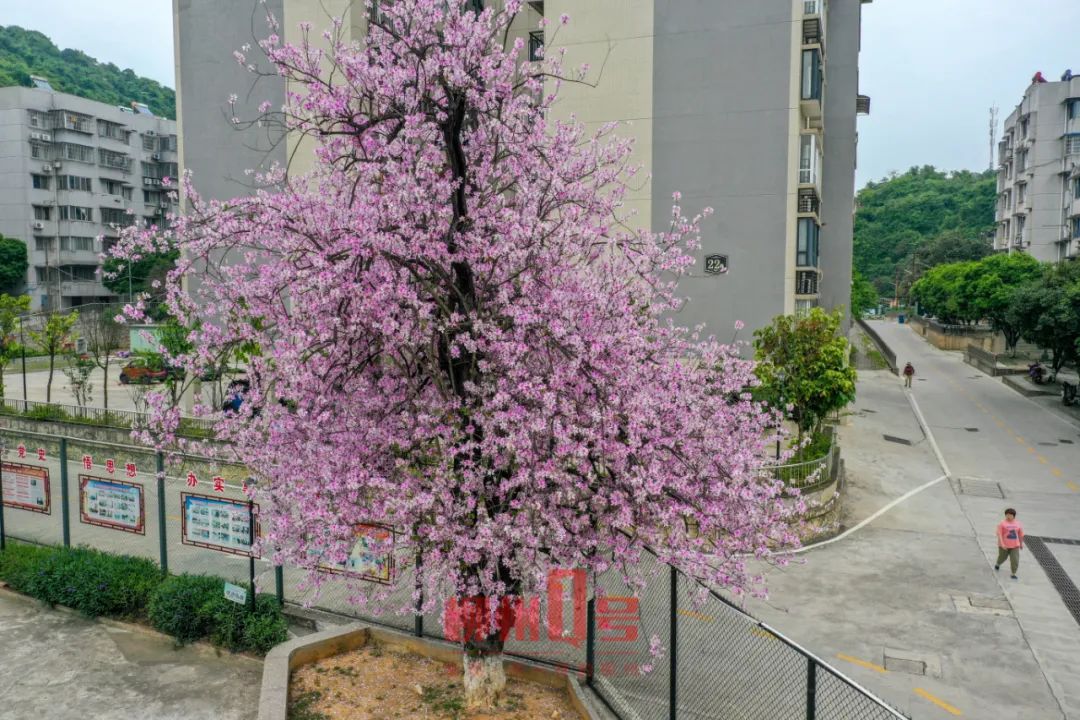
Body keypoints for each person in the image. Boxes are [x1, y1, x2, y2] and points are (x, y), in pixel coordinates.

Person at [995, 508, 1024, 580]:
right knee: (1002, 557)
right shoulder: (1002, 523)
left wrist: (1021, 543)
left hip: (1015, 545)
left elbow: (1020, 534)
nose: (1008, 516)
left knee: (1015, 559)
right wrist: (1002, 544)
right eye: (1007, 515)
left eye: (1010, 515)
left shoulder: (1018, 524)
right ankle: (998, 563)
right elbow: (1000, 535)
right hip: (1004, 545)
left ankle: (1013, 573)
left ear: (1014, 516)